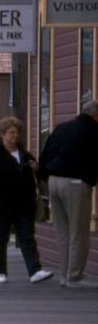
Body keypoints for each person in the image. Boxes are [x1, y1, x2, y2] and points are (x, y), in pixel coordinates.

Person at [0, 117, 54, 285]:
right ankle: (0, 271)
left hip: (24, 205)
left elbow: (42, 175)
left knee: (27, 237)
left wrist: (37, 168)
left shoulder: (25, 155)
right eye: (11, 132)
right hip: (0, 205)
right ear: (3, 135)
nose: (15, 136)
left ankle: (34, 270)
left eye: (17, 132)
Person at [38, 101, 98, 288]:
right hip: (75, 183)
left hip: (54, 182)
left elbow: (45, 155)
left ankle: (64, 274)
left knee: (63, 231)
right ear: (95, 115)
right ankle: (75, 276)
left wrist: (45, 177)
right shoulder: (92, 131)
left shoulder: (61, 129)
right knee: (78, 232)